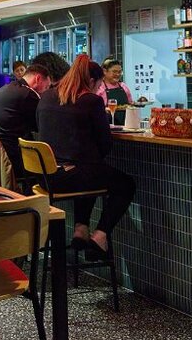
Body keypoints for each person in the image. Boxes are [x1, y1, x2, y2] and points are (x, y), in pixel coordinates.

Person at [36, 54, 135, 259]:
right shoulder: (91, 101)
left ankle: (81, 229)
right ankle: (100, 236)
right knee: (125, 184)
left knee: (90, 169)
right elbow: (105, 144)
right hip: (71, 178)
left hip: (46, 177)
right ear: (91, 81)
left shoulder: (46, 96)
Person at [0, 63, 52, 178]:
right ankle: (33, 195)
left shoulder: (6, 88)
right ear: (37, 79)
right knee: (46, 169)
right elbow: (43, 127)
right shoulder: (29, 94)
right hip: (8, 158)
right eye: (46, 87)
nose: (45, 91)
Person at [96, 57, 133, 126]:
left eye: (119, 72)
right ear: (105, 71)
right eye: (114, 71)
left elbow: (130, 105)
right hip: (106, 127)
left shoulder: (123, 86)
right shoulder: (100, 88)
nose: (118, 74)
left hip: (125, 127)